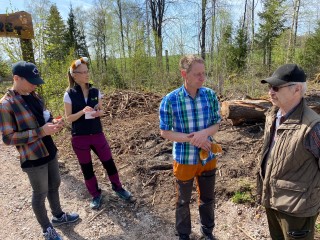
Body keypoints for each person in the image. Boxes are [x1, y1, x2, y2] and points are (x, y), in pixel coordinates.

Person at [0, 61, 79, 240]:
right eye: (31, 81)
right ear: (16, 78)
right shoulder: (6, 104)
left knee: (55, 184)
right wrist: (39, 132)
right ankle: (46, 228)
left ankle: (58, 216)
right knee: (40, 192)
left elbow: (44, 117)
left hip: (49, 149)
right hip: (32, 156)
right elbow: (7, 138)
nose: (35, 84)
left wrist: (54, 122)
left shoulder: (35, 96)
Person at [159, 55, 221, 240]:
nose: (202, 78)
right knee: (183, 201)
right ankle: (184, 235)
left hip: (207, 157)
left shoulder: (210, 95)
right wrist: (192, 138)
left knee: (208, 199)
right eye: (197, 74)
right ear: (184, 74)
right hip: (184, 159)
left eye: (204, 73)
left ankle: (207, 232)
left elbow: (216, 125)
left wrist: (204, 134)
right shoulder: (170, 100)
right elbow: (165, 132)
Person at [257, 64, 320, 240]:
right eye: (269, 86)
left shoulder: (312, 126)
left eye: (276, 87)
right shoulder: (273, 115)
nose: (270, 91)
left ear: (297, 89)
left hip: (297, 211)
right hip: (272, 200)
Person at [63, 57, 133, 210]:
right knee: (87, 168)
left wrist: (98, 112)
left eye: (87, 71)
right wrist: (82, 112)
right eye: (82, 72)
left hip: (97, 134)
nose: (86, 74)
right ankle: (95, 194)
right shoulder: (69, 94)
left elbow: (101, 110)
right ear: (74, 75)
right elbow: (68, 118)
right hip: (80, 137)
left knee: (109, 162)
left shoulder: (95, 91)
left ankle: (118, 187)